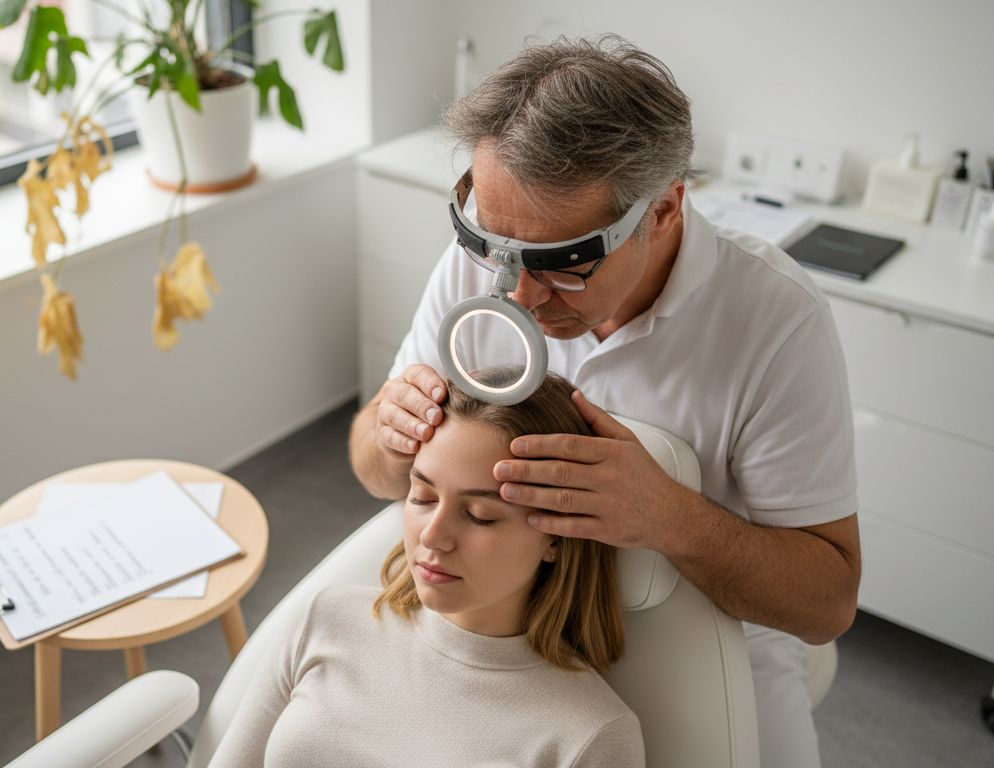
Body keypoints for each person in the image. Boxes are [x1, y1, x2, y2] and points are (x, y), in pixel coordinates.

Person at [348, 36, 860, 768]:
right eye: (489, 241)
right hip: (511, 618)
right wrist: (389, 436)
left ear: (663, 211)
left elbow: (826, 605)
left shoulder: (776, 323)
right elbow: (375, 471)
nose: (517, 296)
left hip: (715, 635)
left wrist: (669, 516)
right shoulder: (493, 263)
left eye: (564, 264)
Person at [210, 372, 646, 767]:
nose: (433, 536)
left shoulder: (590, 736)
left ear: (556, 536)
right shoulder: (324, 620)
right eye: (422, 497)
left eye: (479, 515)